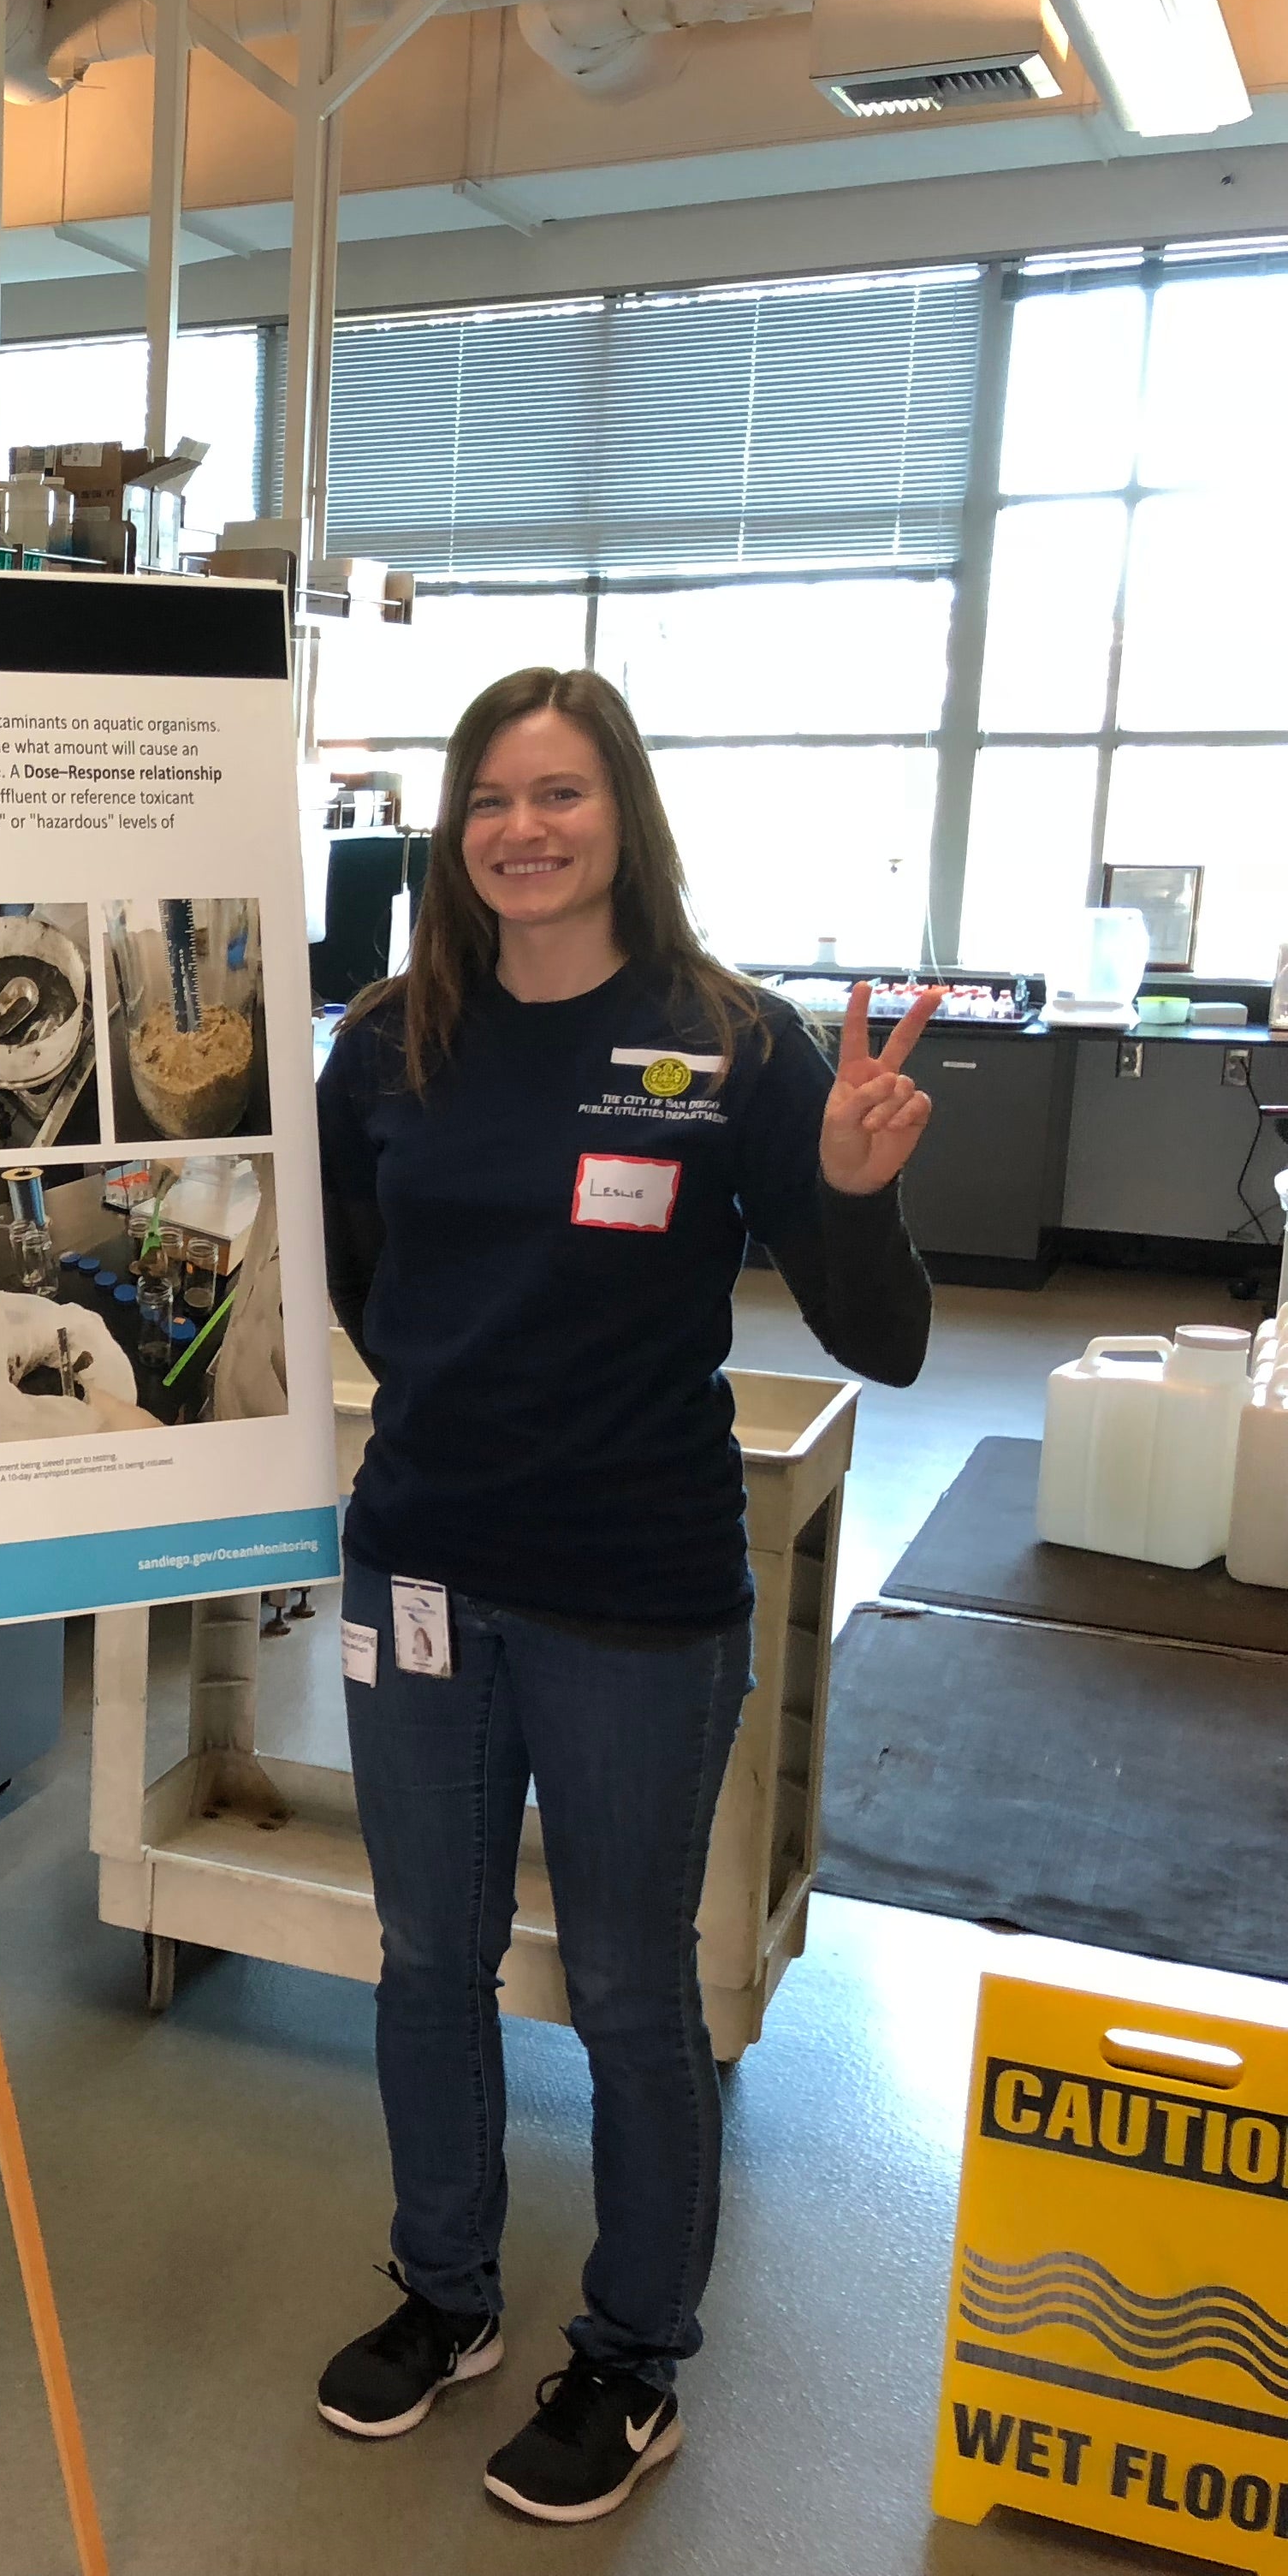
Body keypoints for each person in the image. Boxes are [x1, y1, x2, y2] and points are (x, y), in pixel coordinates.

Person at [308, 667, 936, 2524]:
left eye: (561, 793)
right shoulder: (389, 1043)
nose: (524, 828)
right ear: (456, 828)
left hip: (637, 1600)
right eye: (493, 797)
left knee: (631, 1984)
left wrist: (848, 1196)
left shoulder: (731, 1047)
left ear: (624, 816)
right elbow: (364, 1286)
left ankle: (632, 2355)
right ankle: (445, 2294)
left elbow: (883, 1342)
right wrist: (470, 1411)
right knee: (426, 1956)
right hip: (420, 1564)